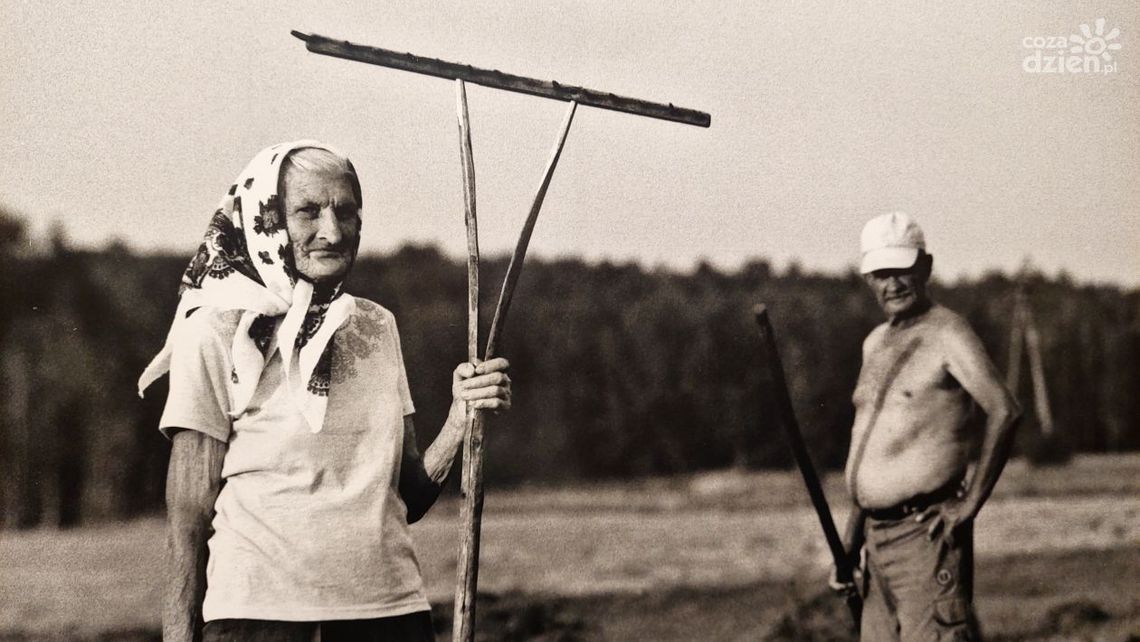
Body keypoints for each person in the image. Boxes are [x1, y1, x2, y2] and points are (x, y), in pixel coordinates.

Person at [138, 141, 512, 642]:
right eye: (308, 212)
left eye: (347, 212)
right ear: (266, 220)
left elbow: (409, 496)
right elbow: (187, 516)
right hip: (259, 621)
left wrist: (461, 417)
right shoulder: (216, 333)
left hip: (391, 617)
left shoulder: (376, 327)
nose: (332, 232)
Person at [831, 212, 1021, 640]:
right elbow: (872, 448)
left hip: (926, 540)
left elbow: (1005, 410)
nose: (893, 284)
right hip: (875, 545)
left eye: (903, 270)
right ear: (868, 278)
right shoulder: (875, 342)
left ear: (926, 267)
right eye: (881, 273)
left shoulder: (948, 333)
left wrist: (968, 504)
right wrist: (851, 541)